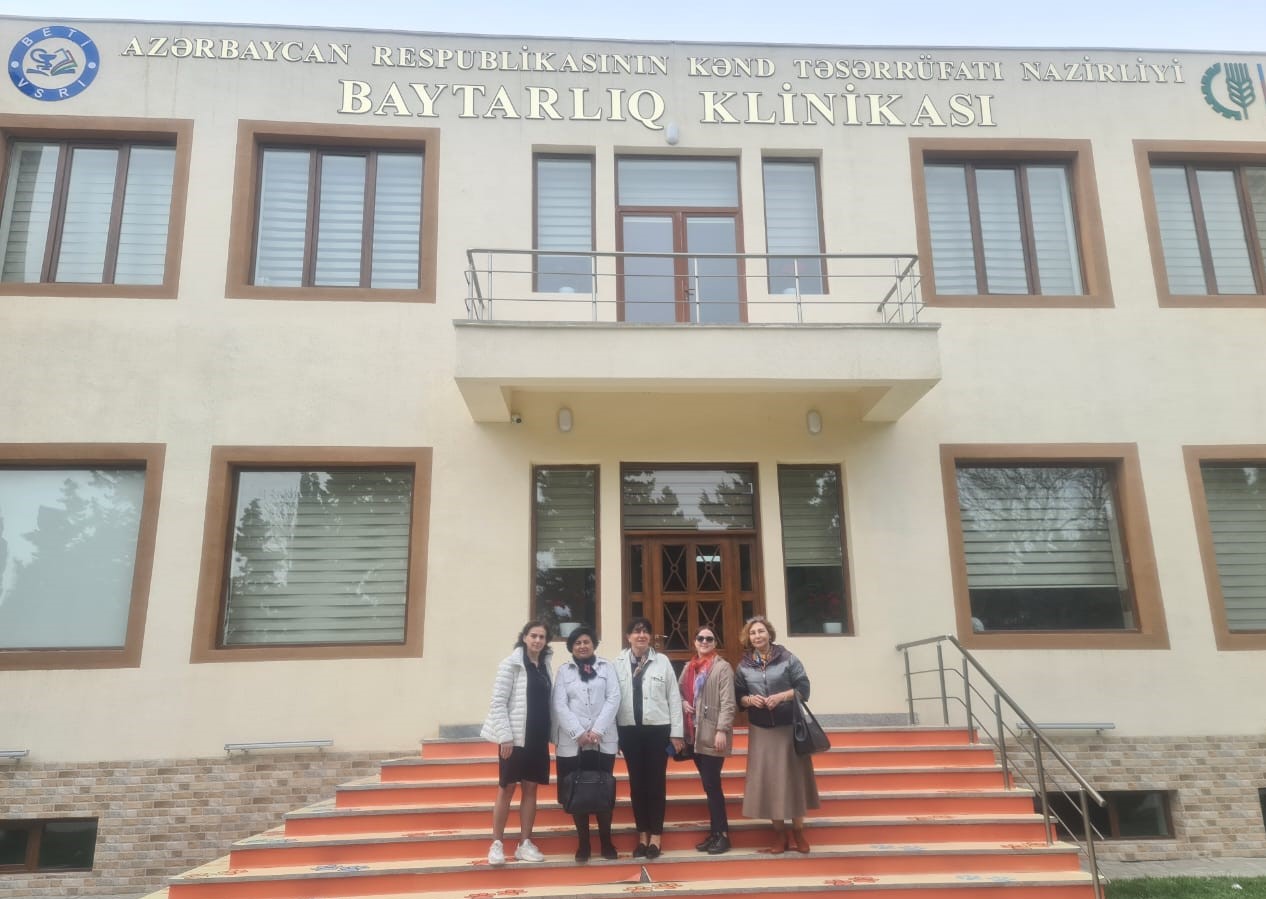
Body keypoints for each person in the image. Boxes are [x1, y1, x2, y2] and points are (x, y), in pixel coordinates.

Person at [732, 615, 820, 854]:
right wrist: (750, 700)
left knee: (793, 780)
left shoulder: (788, 658)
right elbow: (739, 696)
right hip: (761, 731)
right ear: (748, 638)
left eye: (761, 631)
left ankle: (798, 832)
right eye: (753, 633)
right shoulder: (743, 666)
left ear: (769, 634)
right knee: (770, 782)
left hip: (788, 727)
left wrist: (781, 696)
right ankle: (780, 834)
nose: (757, 636)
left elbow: (803, 689)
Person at [479, 620, 553, 866]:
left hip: (537, 738)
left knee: (531, 789)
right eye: (534, 635)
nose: (537, 640)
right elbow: (498, 702)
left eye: (542, 637)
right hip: (514, 739)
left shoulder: (545, 666)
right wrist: (505, 737)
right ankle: (496, 844)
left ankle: (525, 843)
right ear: (524, 637)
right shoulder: (510, 665)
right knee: (507, 788)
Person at [614, 617, 684, 859]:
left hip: (657, 730)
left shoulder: (662, 662)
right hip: (629, 731)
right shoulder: (617, 663)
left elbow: (673, 697)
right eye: (636, 631)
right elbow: (612, 700)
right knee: (637, 785)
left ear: (650, 637)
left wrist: (677, 733)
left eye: (645, 631)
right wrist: (613, 735)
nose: (641, 635)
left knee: (655, 784)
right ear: (628, 637)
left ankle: (656, 836)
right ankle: (642, 835)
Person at [552, 625, 621, 862]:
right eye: (577, 643)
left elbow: (613, 698)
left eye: (586, 642)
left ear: (594, 644)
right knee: (577, 790)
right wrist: (578, 732)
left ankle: (606, 841)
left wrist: (597, 730)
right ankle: (584, 844)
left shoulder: (606, 667)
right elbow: (560, 704)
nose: (582, 646)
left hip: (602, 740)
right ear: (571, 647)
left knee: (602, 788)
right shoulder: (564, 671)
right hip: (573, 743)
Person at [678, 624, 735, 855]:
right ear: (694, 642)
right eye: (700, 638)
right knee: (708, 785)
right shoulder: (689, 667)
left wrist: (722, 730)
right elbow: (678, 692)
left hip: (712, 735)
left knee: (712, 785)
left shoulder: (722, 667)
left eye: (709, 639)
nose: (704, 642)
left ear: (715, 643)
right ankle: (715, 833)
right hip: (694, 735)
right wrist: (683, 702)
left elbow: (728, 702)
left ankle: (723, 835)